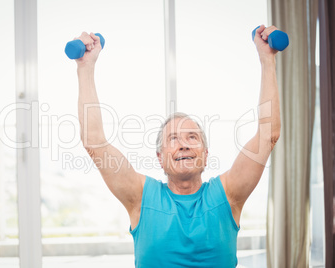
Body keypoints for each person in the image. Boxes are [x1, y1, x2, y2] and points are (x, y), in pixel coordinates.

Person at [73, 25, 280, 267]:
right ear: (160, 158)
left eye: (192, 137)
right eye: (173, 139)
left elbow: (268, 135)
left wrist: (267, 60)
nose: (183, 144)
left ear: (205, 154)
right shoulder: (140, 197)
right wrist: (85, 69)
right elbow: (94, 143)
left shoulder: (228, 194)